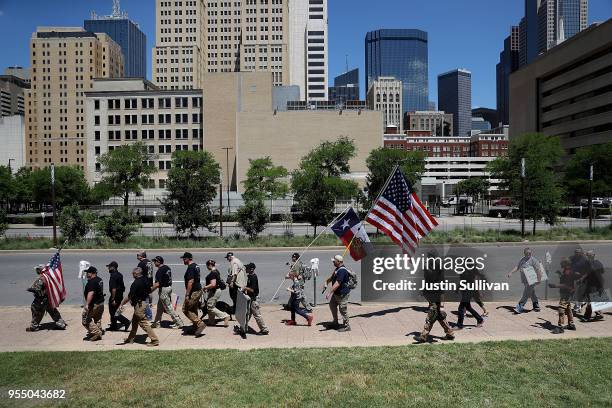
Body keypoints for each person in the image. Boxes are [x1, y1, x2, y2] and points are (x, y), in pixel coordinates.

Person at [416, 251, 454, 342]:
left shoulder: (438, 275)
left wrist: (441, 306)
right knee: (439, 316)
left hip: (436, 299)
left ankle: (424, 335)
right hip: (432, 297)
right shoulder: (431, 272)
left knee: (431, 316)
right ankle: (450, 333)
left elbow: (441, 290)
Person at [118, 267, 159, 346]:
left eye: (133, 273)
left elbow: (129, 296)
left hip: (139, 305)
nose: (132, 275)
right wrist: (150, 301)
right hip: (143, 302)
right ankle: (130, 338)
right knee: (134, 322)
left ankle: (155, 340)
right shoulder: (145, 279)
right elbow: (149, 290)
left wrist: (121, 304)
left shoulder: (136, 283)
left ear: (136, 274)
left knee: (143, 323)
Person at [26, 264, 66, 332]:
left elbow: (37, 289)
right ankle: (61, 323)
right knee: (53, 311)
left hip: (41, 299)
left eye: (37, 269)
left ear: (40, 270)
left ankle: (34, 326)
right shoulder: (48, 277)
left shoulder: (42, 278)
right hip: (49, 298)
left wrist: (30, 289)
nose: (36, 271)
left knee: (35, 310)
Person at [151, 256, 184, 329]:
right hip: (168, 288)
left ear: (158, 262)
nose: (154, 263)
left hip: (164, 290)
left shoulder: (159, 271)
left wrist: (149, 291)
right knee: (160, 308)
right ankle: (156, 323)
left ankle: (179, 322)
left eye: (155, 261)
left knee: (169, 307)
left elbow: (157, 284)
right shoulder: (167, 268)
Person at [506, 248, 542, 314]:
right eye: (527, 253)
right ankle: (536, 306)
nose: (529, 254)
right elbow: (517, 267)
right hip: (525, 280)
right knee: (531, 292)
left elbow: (538, 270)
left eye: (530, 253)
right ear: (524, 253)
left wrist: (539, 279)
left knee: (526, 294)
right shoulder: (522, 259)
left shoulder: (534, 260)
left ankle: (519, 307)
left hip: (532, 280)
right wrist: (511, 272)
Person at [549, 258, 576, 334]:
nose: (560, 265)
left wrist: (554, 285)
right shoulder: (567, 270)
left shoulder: (568, 272)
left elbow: (565, 284)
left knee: (561, 308)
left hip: (566, 292)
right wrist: (560, 275)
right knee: (568, 308)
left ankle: (560, 327)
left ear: (566, 264)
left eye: (562, 263)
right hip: (569, 292)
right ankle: (571, 324)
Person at [181, 252, 206, 337]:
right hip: (198, 290)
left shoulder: (191, 267)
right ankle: (195, 327)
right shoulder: (196, 265)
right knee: (193, 309)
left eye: (184, 259)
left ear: (188, 259)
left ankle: (200, 324)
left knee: (186, 309)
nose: (183, 260)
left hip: (194, 292)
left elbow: (191, 281)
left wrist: (187, 294)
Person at [324, 255, 350, 332]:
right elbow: (332, 278)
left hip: (342, 294)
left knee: (343, 310)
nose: (333, 262)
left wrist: (329, 293)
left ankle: (347, 326)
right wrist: (326, 282)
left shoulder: (342, 271)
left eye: (334, 261)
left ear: (339, 262)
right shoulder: (337, 269)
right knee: (332, 305)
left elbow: (338, 283)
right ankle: (335, 322)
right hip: (336, 293)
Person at [242, 262, 269, 335]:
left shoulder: (253, 277)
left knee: (257, 315)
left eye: (247, 268)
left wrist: (245, 288)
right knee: (247, 314)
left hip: (254, 299)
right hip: (250, 298)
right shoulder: (249, 276)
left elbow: (252, 290)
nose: (246, 269)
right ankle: (243, 327)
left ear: (251, 269)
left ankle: (264, 329)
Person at [203, 259, 230, 327]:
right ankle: (211, 321)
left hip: (214, 291)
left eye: (207, 266)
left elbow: (213, 284)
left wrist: (205, 287)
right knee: (211, 305)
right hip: (215, 290)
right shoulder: (216, 271)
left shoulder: (212, 273)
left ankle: (225, 316)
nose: (207, 267)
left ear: (209, 265)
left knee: (210, 307)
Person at [82, 266, 105, 341]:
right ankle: (99, 331)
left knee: (85, 319)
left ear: (91, 273)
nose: (86, 274)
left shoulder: (92, 282)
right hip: (101, 303)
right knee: (97, 319)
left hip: (94, 304)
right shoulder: (99, 279)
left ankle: (96, 333)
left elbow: (91, 293)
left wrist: (87, 304)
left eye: (87, 273)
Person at [107, 261, 130, 331]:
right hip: (120, 295)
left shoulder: (113, 276)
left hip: (115, 296)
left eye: (109, 267)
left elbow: (113, 289)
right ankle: (114, 326)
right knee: (116, 311)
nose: (108, 268)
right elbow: (123, 287)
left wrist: (113, 299)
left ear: (113, 267)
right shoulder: (120, 274)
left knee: (113, 312)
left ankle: (126, 322)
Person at [582, 250, 605, 321]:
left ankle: (594, 314)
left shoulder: (588, 263)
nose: (587, 257)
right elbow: (603, 271)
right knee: (594, 299)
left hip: (592, 284)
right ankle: (589, 315)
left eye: (587, 256)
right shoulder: (598, 262)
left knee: (591, 299)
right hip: (598, 283)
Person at [136, 251, 153, 321]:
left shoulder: (141, 263)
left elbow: (138, 273)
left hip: (144, 282)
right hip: (150, 281)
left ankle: (148, 316)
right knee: (148, 296)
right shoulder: (149, 262)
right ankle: (150, 305)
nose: (137, 256)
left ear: (141, 256)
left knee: (144, 300)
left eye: (137, 255)